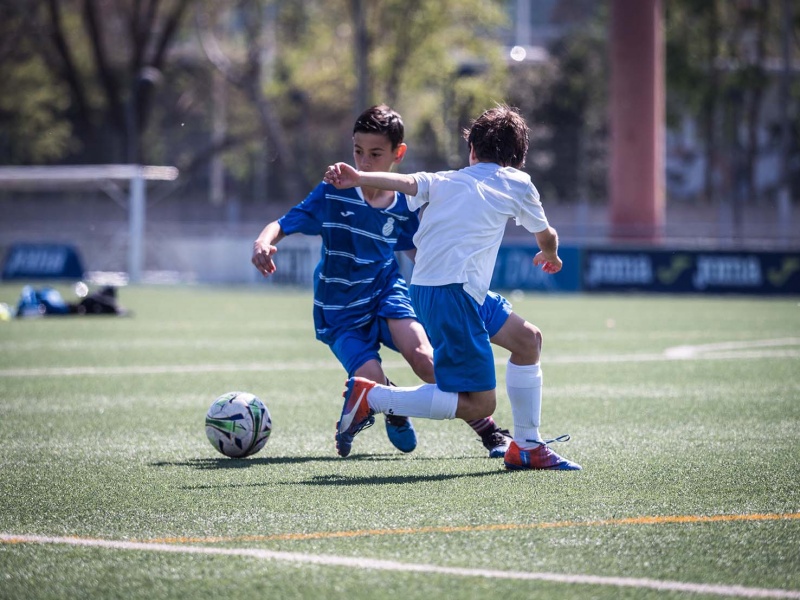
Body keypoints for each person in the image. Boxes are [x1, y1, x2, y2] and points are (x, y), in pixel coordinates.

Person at [324, 104, 581, 470]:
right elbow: (547, 234)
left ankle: (526, 445)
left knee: (528, 340)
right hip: (453, 293)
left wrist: (359, 178)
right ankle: (374, 397)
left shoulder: (445, 180)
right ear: (518, 160)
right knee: (479, 404)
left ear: (472, 151)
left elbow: (406, 181)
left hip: (446, 290)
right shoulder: (518, 182)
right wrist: (550, 255)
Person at [252, 104, 513, 458]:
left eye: (375, 154)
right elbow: (284, 222)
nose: (364, 162)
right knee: (371, 381)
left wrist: (456, 284)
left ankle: (491, 432)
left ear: (397, 153)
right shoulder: (334, 191)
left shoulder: (404, 203)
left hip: (386, 294)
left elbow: (420, 254)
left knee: (425, 358)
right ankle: (394, 403)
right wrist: (264, 242)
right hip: (339, 312)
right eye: (358, 151)